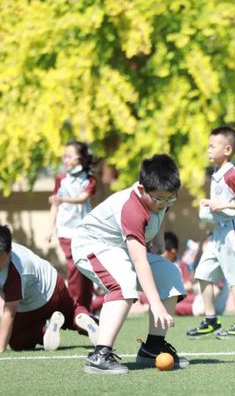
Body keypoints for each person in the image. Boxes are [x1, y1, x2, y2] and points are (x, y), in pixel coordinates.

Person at [71, 154, 187, 374]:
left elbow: (162, 209)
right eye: (159, 199)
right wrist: (155, 303)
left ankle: (153, 347)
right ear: (142, 189)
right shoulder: (131, 208)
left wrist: (159, 238)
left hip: (119, 248)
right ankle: (100, 355)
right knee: (123, 281)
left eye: (169, 198)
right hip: (92, 246)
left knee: (170, 273)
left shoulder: (159, 197)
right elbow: (139, 260)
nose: (163, 203)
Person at [186, 126, 235, 339]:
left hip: (232, 232)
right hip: (218, 234)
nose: (208, 150)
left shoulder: (231, 173)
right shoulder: (217, 173)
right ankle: (211, 320)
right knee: (202, 274)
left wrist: (220, 206)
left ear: (227, 149)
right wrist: (212, 206)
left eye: (212, 146)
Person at [0, 225, 97, 353]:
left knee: (17, 341)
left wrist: (0, 348)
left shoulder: (15, 273)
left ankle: (45, 328)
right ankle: (85, 319)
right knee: (72, 312)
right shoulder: (10, 249)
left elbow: (9, 313)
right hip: (56, 282)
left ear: (10, 251)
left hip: (39, 301)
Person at [45, 140, 97, 311]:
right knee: (74, 265)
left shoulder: (89, 179)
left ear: (80, 158)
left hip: (85, 231)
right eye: (64, 157)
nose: (65, 160)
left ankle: (85, 309)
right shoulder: (60, 179)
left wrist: (62, 199)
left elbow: (83, 198)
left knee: (86, 268)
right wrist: (50, 229)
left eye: (69, 156)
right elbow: (55, 204)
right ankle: (72, 306)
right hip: (66, 231)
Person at [161, 232, 229, 316]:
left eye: (209, 243)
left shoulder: (218, 263)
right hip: (201, 300)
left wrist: (206, 309)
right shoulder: (208, 262)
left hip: (209, 305)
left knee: (169, 306)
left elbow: (216, 290)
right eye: (206, 242)